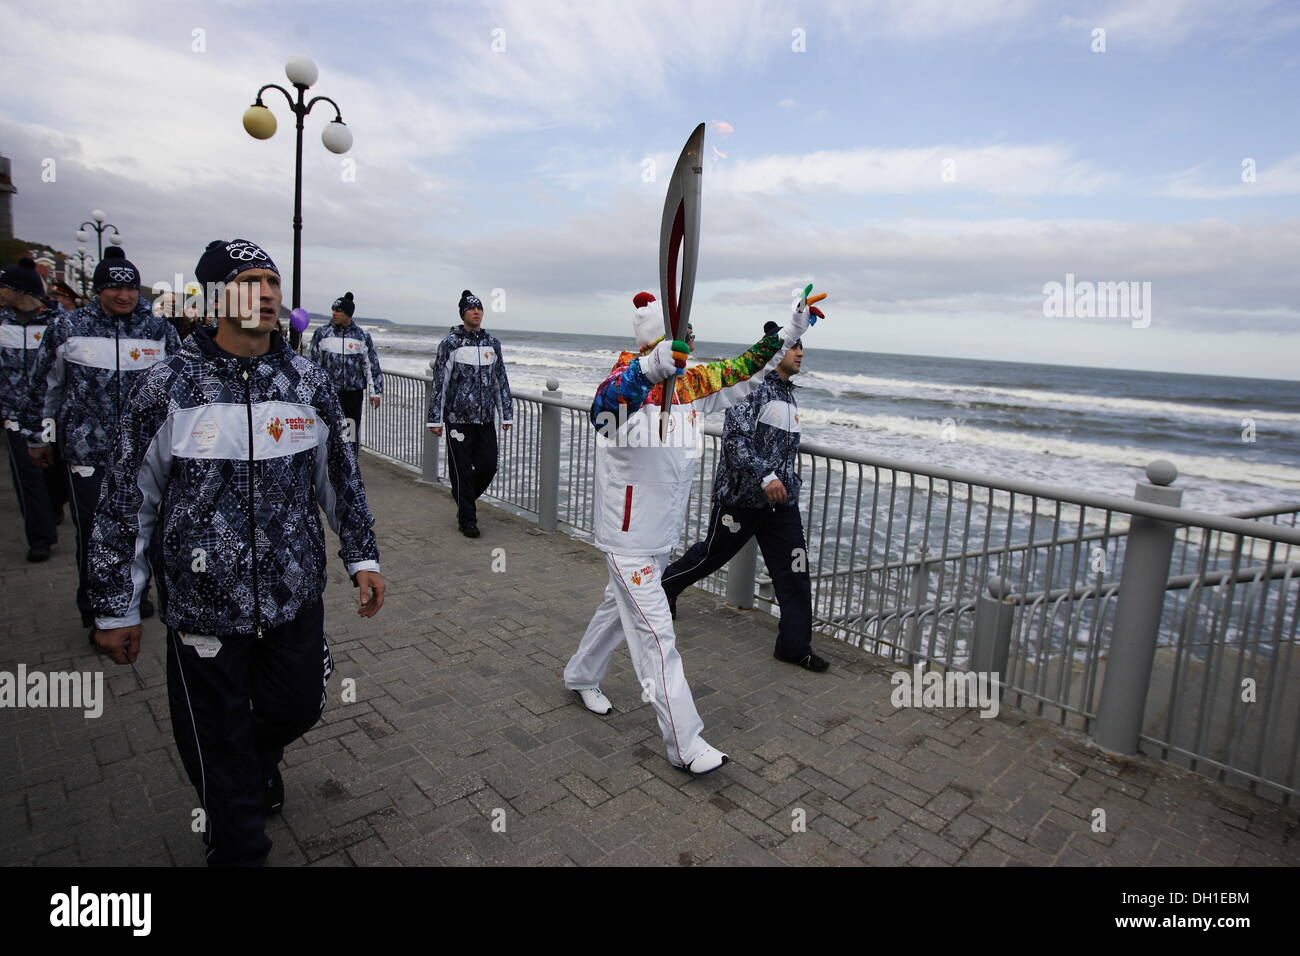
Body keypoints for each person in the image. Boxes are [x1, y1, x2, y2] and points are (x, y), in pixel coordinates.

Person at [87, 238, 385, 867]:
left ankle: (253, 765)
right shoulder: (166, 387)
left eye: (274, 280)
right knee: (216, 746)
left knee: (299, 704)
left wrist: (362, 557)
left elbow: (341, 474)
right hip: (204, 608)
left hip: (293, 592)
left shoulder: (305, 380)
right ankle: (237, 840)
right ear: (218, 296)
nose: (271, 292)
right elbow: (124, 502)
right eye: (252, 280)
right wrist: (115, 605)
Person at [562, 290, 816, 775]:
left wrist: (793, 328)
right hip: (627, 539)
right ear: (659, 341)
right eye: (684, 335)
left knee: (616, 613)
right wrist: (649, 369)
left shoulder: (692, 385)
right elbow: (602, 414)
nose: (693, 343)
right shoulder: (626, 383)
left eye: (691, 335)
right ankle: (684, 743)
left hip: (659, 540)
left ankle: (579, 674)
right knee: (658, 637)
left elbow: (747, 369)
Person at [24, 247, 179, 634]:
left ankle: (135, 595)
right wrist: (38, 438)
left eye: (130, 290)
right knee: (97, 532)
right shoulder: (68, 328)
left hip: (147, 454)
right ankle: (95, 610)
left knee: (148, 528)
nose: (124, 296)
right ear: (98, 290)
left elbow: (183, 387)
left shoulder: (158, 330)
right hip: (88, 452)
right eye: (113, 289)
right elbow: (46, 386)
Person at [662, 317, 830, 672]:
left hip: (781, 504)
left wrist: (783, 482)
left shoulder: (787, 395)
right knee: (710, 555)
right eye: (795, 346)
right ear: (779, 350)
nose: (800, 353)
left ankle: (794, 645)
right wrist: (766, 475)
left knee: (795, 570)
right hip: (741, 500)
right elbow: (734, 442)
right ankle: (665, 587)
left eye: (802, 347)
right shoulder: (752, 388)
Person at [425, 290, 512, 538]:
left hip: (485, 419)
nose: (476, 312)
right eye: (471, 309)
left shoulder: (492, 344)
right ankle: (468, 520)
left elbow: (500, 380)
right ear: (463, 313)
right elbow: (440, 381)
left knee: (489, 465)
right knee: (461, 470)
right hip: (457, 421)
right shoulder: (451, 344)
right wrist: (435, 418)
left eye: (479, 308)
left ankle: (464, 496)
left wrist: (506, 413)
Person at [0, 257, 64, 561]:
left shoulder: (57, 323)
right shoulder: (2, 322)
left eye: (4, 286)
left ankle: (53, 508)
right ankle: (40, 537)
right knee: (27, 474)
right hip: (16, 414)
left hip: (53, 414)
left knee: (54, 473)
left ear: (20, 289)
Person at [307, 291, 383, 453]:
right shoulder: (322, 333)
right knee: (329, 430)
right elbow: (313, 364)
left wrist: (375, 392)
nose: (334, 313)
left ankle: (350, 464)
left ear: (348, 314)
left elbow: (371, 365)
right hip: (329, 393)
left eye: (338, 310)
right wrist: (311, 391)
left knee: (350, 432)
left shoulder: (361, 336)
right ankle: (328, 465)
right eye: (333, 310)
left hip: (353, 394)